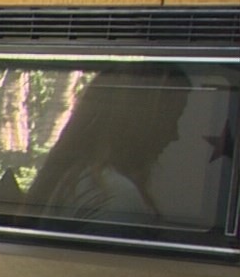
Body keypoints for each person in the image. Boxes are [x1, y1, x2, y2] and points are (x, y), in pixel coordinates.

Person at [22, 70, 190, 224]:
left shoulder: (75, 177)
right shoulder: (118, 199)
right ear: (141, 123)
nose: (174, 136)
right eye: (171, 119)